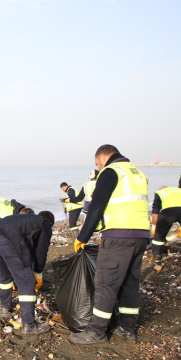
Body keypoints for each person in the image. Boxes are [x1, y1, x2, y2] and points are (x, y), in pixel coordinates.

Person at [70, 145, 150, 345]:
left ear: (103, 157)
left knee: (106, 282)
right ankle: (127, 329)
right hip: (141, 234)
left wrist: (83, 236)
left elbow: (97, 205)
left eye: (98, 163)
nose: (99, 168)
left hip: (119, 236)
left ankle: (97, 331)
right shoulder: (136, 173)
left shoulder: (111, 171)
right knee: (130, 282)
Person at [0, 211, 55, 335]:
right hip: (7, 239)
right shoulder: (45, 224)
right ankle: (29, 325)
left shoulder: (28, 220)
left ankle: (5, 308)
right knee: (27, 282)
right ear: (50, 223)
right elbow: (41, 251)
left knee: (6, 274)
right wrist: (38, 272)